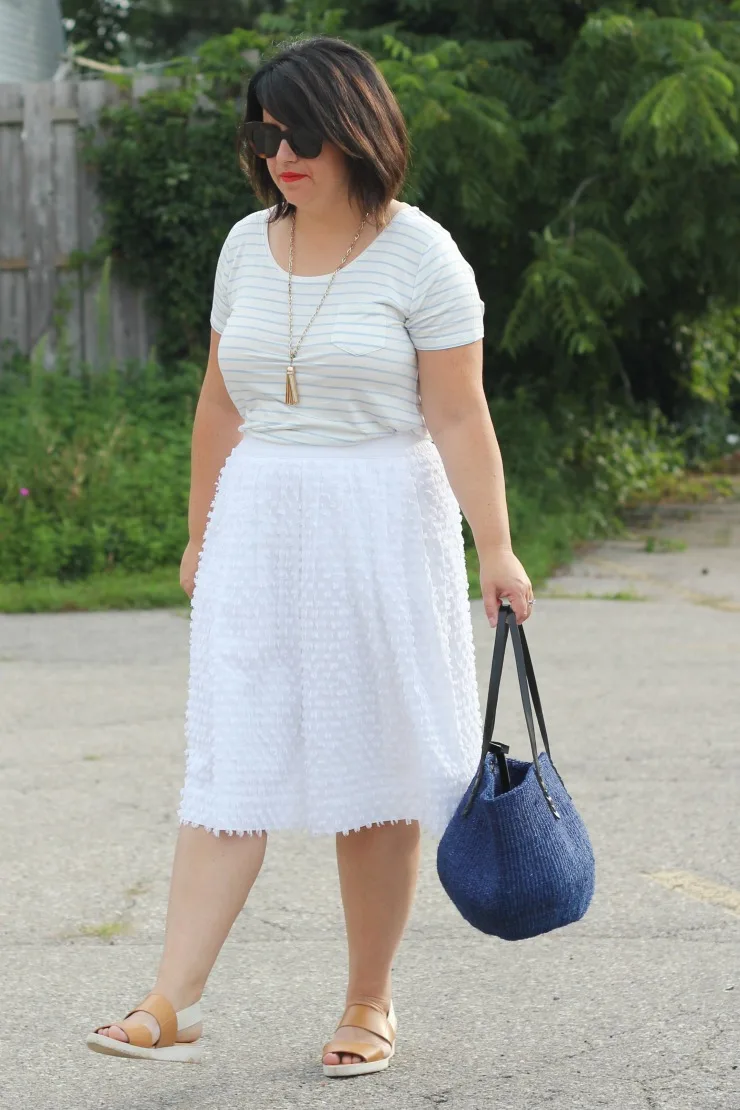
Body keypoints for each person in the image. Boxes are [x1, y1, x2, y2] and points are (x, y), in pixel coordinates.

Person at [86, 34, 534, 1077]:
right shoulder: (247, 244)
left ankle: (368, 1002)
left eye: (305, 133)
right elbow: (218, 398)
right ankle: (169, 999)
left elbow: (460, 418)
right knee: (229, 759)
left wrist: (498, 550)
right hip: (260, 522)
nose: (282, 152)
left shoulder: (420, 254)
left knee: (372, 772)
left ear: (358, 132)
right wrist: (200, 527)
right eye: (267, 132)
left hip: (382, 522)